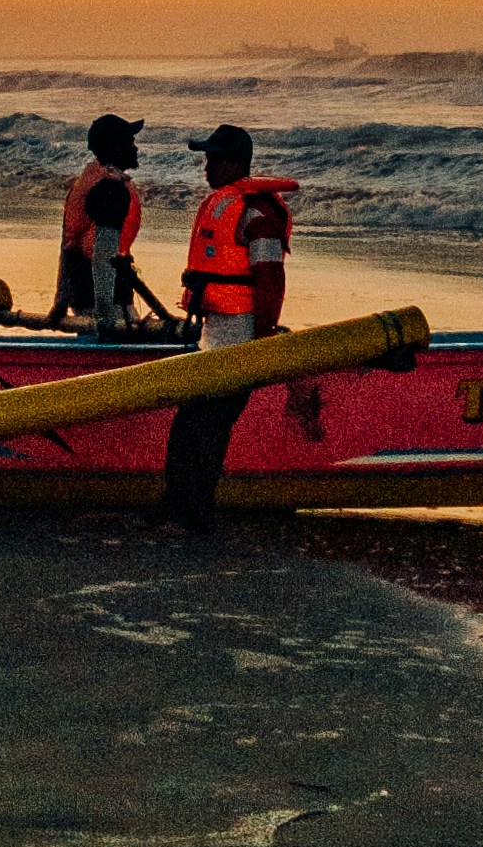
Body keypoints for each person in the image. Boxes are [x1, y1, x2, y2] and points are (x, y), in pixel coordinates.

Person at [155, 122, 296, 535]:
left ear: (235, 163)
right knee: (190, 424)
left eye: (214, 159)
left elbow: (270, 278)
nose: (206, 167)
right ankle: (177, 507)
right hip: (214, 333)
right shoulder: (226, 205)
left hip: (240, 333)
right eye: (206, 159)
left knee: (207, 426)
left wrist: (263, 339)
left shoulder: (258, 215)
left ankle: (195, 514)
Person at [43, 112, 176, 334]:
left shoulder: (85, 184)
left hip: (82, 295)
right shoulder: (112, 190)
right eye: (130, 142)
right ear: (115, 148)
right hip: (107, 302)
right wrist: (105, 314)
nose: (135, 148)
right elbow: (103, 256)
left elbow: (66, 248)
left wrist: (61, 302)